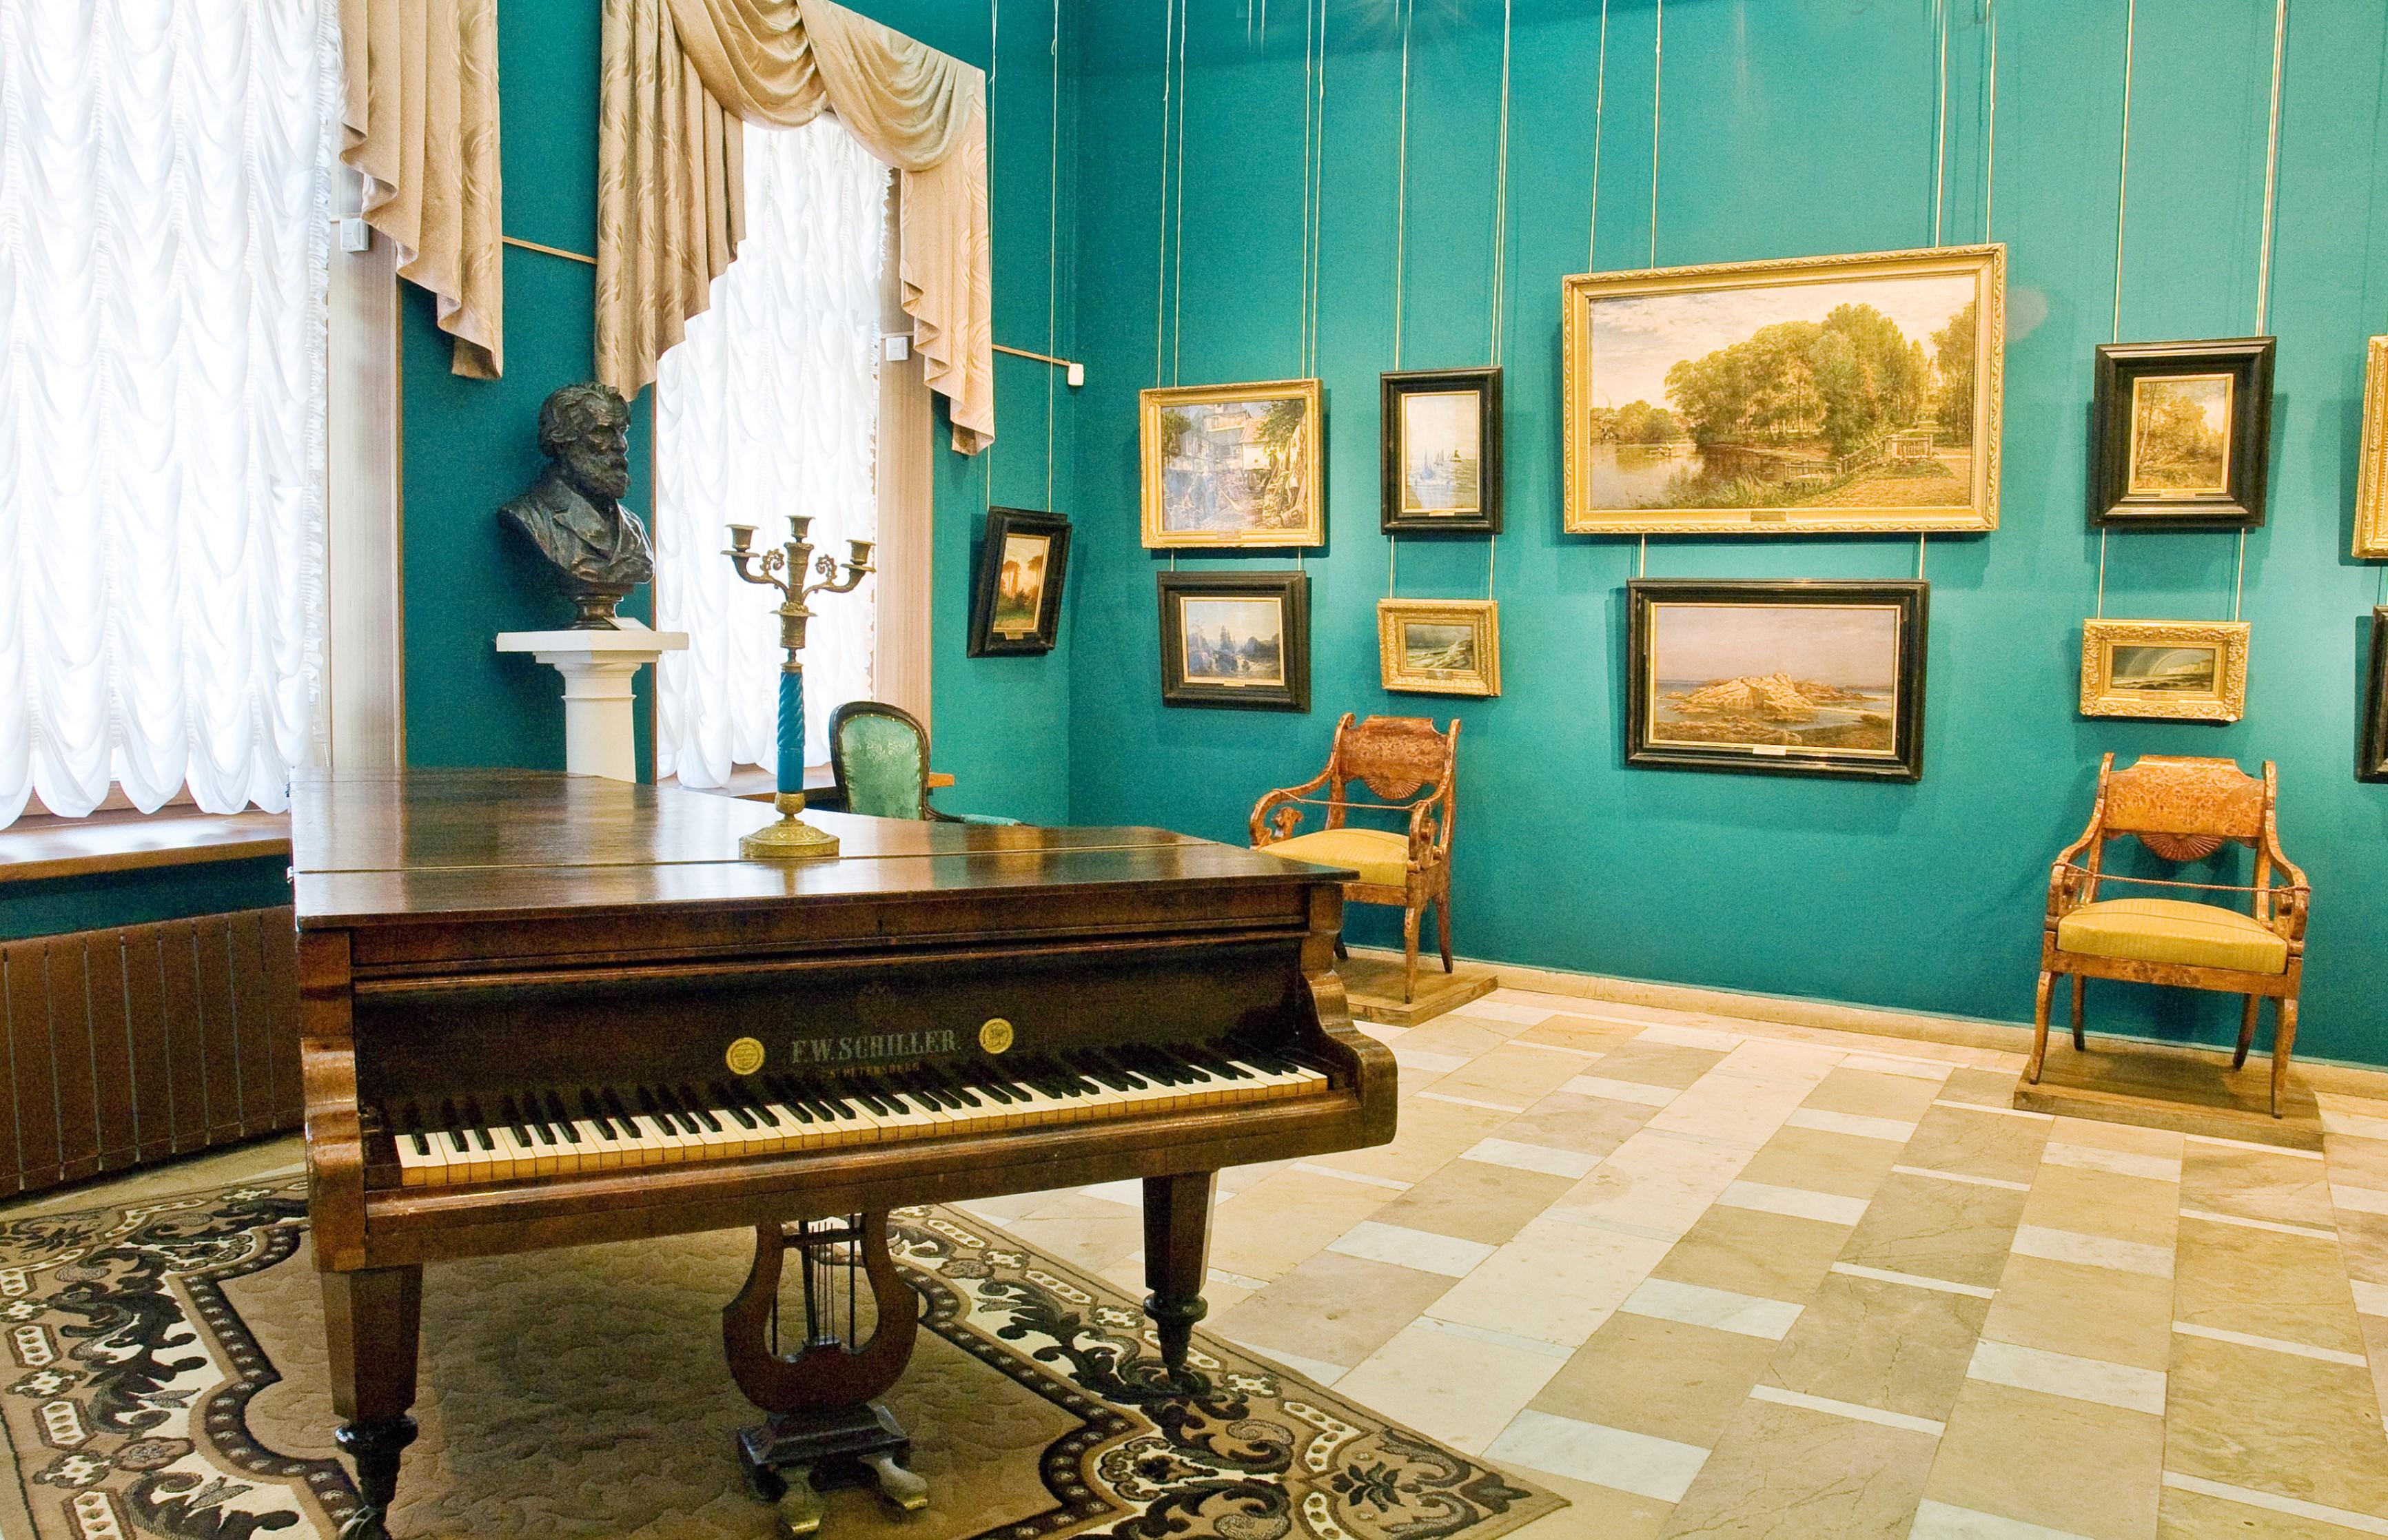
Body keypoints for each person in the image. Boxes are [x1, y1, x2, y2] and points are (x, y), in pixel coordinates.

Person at [498, 381, 656, 627]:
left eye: (622, 431)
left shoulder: (633, 527)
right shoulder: (531, 516)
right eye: (601, 433)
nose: (621, 445)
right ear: (562, 442)